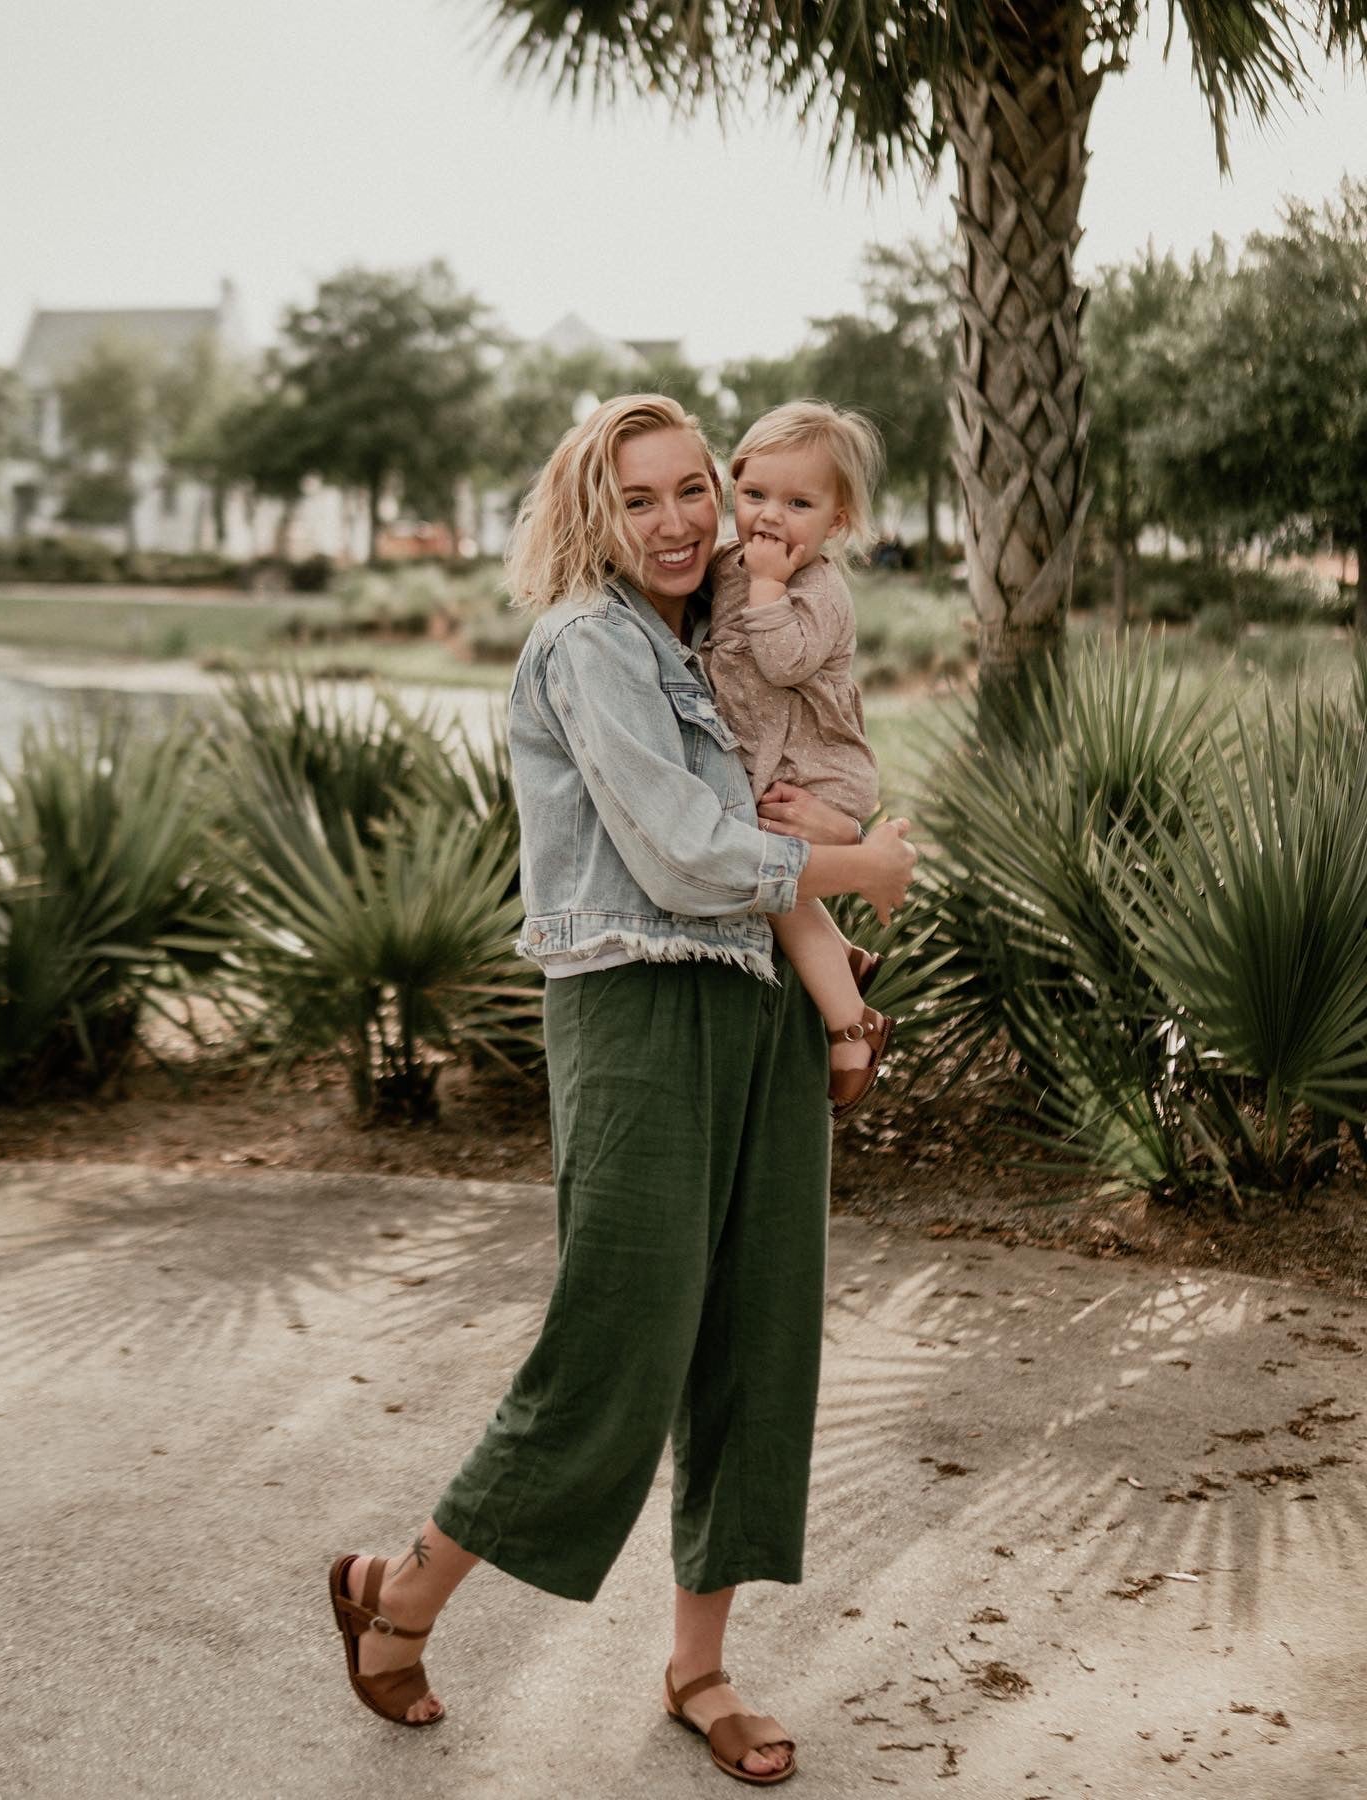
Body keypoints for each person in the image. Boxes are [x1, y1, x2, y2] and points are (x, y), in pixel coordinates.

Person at [327, 394, 917, 1787]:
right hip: (641, 1006)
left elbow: (801, 781)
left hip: (758, 1009)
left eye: (691, 491)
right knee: (619, 1336)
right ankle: (399, 1588)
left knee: (754, 1339)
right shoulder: (586, 644)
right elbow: (678, 855)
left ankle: (699, 1667)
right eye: (638, 499)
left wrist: (831, 840)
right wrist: (862, 873)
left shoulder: (712, 633)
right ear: (593, 511)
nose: (676, 523)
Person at [704, 401, 891, 1117]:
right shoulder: (730, 565)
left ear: (835, 522)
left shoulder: (819, 591)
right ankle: (843, 959)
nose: (771, 518)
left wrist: (769, 588)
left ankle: (853, 1027)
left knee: (772, 886)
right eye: (754, 495)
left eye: (798, 503)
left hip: (817, 767)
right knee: (781, 890)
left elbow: (781, 663)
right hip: (772, 760)